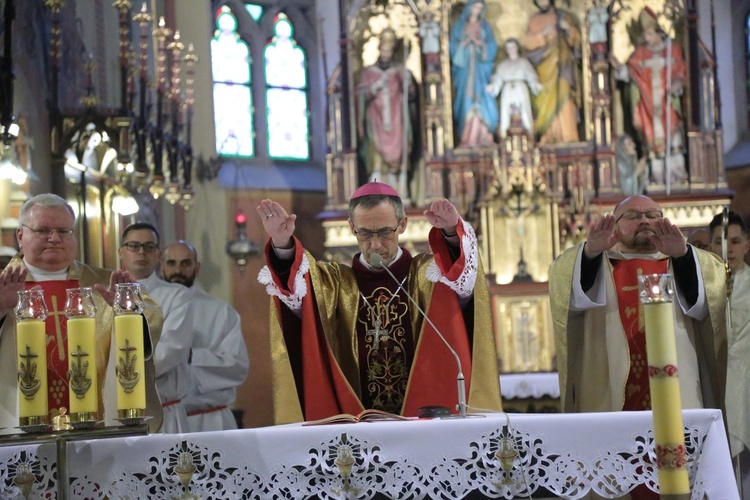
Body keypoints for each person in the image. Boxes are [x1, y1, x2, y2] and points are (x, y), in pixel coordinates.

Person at [256, 181, 502, 424]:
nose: (375, 244)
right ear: (352, 227)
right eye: (365, 233)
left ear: (402, 224)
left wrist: (450, 233)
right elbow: (299, 300)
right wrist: (282, 243)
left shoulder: (428, 275)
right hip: (356, 425)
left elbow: (461, 280)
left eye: (385, 232)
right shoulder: (336, 283)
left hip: (422, 420)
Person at [549, 195, 727, 415]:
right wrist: (590, 253)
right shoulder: (596, 264)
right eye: (633, 216)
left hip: (678, 386)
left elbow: (708, 309)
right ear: (614, 226)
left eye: (653, 216)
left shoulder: (685, 260)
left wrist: (682, 256)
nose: (645, 221)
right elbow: (567, 300)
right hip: (609, 386)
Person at [0, 194, 163, 432]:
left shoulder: (104, 283)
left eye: (64, 231)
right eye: (43, 230)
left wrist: (127, 310)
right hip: (16, 420)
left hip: (97, 419)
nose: (54, 238)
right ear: (21, 236)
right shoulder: (4, 286)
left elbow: (152, 319)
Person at [161, 241, 249, 432]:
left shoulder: (221, 312)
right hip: (167, 422)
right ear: (162, 267)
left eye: (185, 263)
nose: (178, 270)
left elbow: (238, 366)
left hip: (210, 421)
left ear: (196, 268)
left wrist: (192, 356)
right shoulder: (151, 308)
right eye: (171, 263)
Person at [119, 223, 195, 434]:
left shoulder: (177, 295)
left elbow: (172, 349)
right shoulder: (107, 295)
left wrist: (122, 376)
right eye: (134, 246)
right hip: (117, 411)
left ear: (158, 254)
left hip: (164, 411)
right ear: (121, 252)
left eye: (149, 246)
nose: (141, 251)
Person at [613, 7, 686, 184]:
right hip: (648, 105)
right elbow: (630, 72)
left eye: (649, 34)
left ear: (658, 31)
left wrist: (677, 83)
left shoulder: (673, 49)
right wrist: (619, 68)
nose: (646, 38)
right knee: (652, 137)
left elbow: (682, 71)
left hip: (667, 102)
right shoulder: (640, 53)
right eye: (644, 34)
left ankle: (677, 175)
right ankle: (657, 176)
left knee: (672, 134)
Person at [708, 211, 750, 490]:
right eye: (720, 242)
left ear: (747, 244)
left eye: (735, 241)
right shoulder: (700, 290)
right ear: (710, 246)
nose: (728, 249)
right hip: (714, 386)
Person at [357, 28, 421, 200]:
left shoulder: (400, 72)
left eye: (389, 50)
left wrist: (408, 84)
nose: (386, 53)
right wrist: (374, 88)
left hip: (396, 120)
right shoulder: (369, 73)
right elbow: (361, 96)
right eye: (383, 49)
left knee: (399, 153)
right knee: (375, 154)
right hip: (376, 120)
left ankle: (400, 190)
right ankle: (376, 191)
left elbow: (412, 95)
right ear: (379, 49)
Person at [521, 0, 581, 144]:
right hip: (543, 68)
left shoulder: (564, 16)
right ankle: (548, 135)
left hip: (562, 65)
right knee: (544, 101)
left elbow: (579, 42)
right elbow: (527, 44)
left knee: (565, 96)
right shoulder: (534, 20)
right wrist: (543, 35)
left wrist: (568, 29)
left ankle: (568, 135)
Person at [449, 0, 498, 148]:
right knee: (466, 102)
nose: (477, 10)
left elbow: (492, 46)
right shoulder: (459, 27)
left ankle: (484, 136)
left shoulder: (484, 27)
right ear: (469, 8)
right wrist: (464, 43)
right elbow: (452, 48)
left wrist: (479, 44)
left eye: (480, 8)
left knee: (482, 100)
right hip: (464, 71)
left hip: (481, 70)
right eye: (475, 7)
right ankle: (467, 138)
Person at [486, 38, 542, 138]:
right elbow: (498, 78)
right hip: (507, 89)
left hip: (520, 88)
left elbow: (531, 75)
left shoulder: (523, 62)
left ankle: (530, 134)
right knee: (505, 111)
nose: (511, 49)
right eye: (509, 48)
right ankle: (503, 135)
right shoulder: (503, 65)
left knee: (525, 110)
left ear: (517, 48)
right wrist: (493, 86)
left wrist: (535, 83)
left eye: (512, 47)